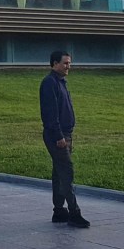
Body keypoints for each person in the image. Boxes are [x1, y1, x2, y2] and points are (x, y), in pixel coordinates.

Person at [39, 50, 89, 228]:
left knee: (59, 173)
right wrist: (59, 136)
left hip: (66, 134)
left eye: (69, 63)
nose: (69, 66)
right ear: (54, 64)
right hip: (57, 136)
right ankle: (74, 213)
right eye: (65, 63)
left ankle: (59, 211)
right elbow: (50, 113)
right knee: (67, 172)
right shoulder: (49, 83)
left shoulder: (61, 82)